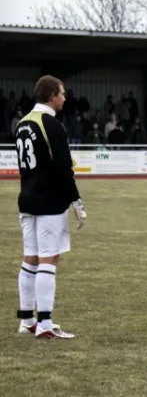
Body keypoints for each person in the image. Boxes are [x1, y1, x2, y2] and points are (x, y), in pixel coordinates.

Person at [14, 75, 87, 339]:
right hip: (49, 202)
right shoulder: (52, 125)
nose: (65, 98)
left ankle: (26, 319)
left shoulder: (22, 124)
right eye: (62, 93)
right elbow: (63, 169)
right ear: (51, 96)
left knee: (30, 258)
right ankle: (45, 323)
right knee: (48, 258)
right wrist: (76, 201)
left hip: (27, 199)